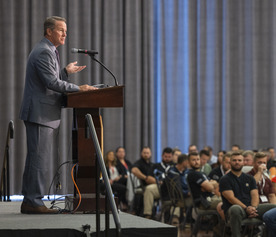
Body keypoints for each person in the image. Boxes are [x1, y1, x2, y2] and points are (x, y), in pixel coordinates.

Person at [19, 16, 97, 214]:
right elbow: (51, 83)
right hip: (40, 114)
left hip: (42, 113)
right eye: (61, 30)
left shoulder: (48, 51)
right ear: (49, 31)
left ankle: (30, 200)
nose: (65, 34)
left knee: (36, 159)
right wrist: (78, 89)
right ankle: (33, 202)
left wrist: (65, 72)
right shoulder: (44, 52)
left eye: (65, 30)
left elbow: (51, 78)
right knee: (38, 160)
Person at [219, 151, 276, 237]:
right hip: (236, 209)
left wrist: (253, 208)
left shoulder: (249, 178)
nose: (237, 162)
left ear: (243, 162)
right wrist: (246, 208)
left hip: (251, 207)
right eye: (234, 160)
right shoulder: (225, 179)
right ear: (230, 162)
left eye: (239, 160)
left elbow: (255, 195)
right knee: (235, 208)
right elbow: (231, 198)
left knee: (273, 208)